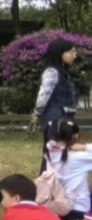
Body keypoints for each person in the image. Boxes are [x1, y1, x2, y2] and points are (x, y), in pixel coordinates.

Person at [34, 39, 80, 170]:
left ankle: (59, 180)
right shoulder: (51, 72)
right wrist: (37, 113)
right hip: (54, 118)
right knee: (53, 153)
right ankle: (47, 180)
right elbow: (44, 94)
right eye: (71, 52)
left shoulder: (63, 73)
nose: (75, 55)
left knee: (64, 152)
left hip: (65, 117)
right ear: (60, 53)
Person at [43, 118, 92, 220]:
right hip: (78, 208)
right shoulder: (77, 158)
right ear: (74, 136)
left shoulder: (50, 151)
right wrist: (84, 146)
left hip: (56, 205)